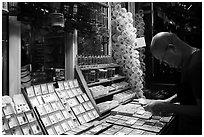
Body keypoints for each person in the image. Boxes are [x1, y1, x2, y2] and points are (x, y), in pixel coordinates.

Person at [143, 32, 202, 134]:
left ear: (172, 48)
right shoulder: (189, 62)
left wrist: (167, 107)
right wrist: (168, 101)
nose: (167, 65)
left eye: (164, 60)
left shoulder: (198, 64)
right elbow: (190, 92)